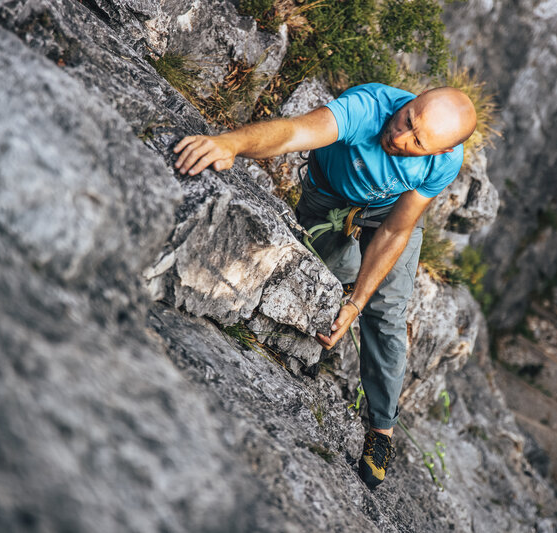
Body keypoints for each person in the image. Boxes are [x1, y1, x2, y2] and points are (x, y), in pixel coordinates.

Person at [173, 83, 477, 490]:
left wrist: (357, 303)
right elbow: (294, 132)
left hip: (386, 215)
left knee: (386, 314)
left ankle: (382, 429)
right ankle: (351, 271)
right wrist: (231, 143)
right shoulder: (368, 109)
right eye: (408, 119)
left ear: (439, 151)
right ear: (412, 101)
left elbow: (396, 230)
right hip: (328, 197)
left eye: (417, 141)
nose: (399, 136)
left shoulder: (443, 161)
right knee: (324, 279)